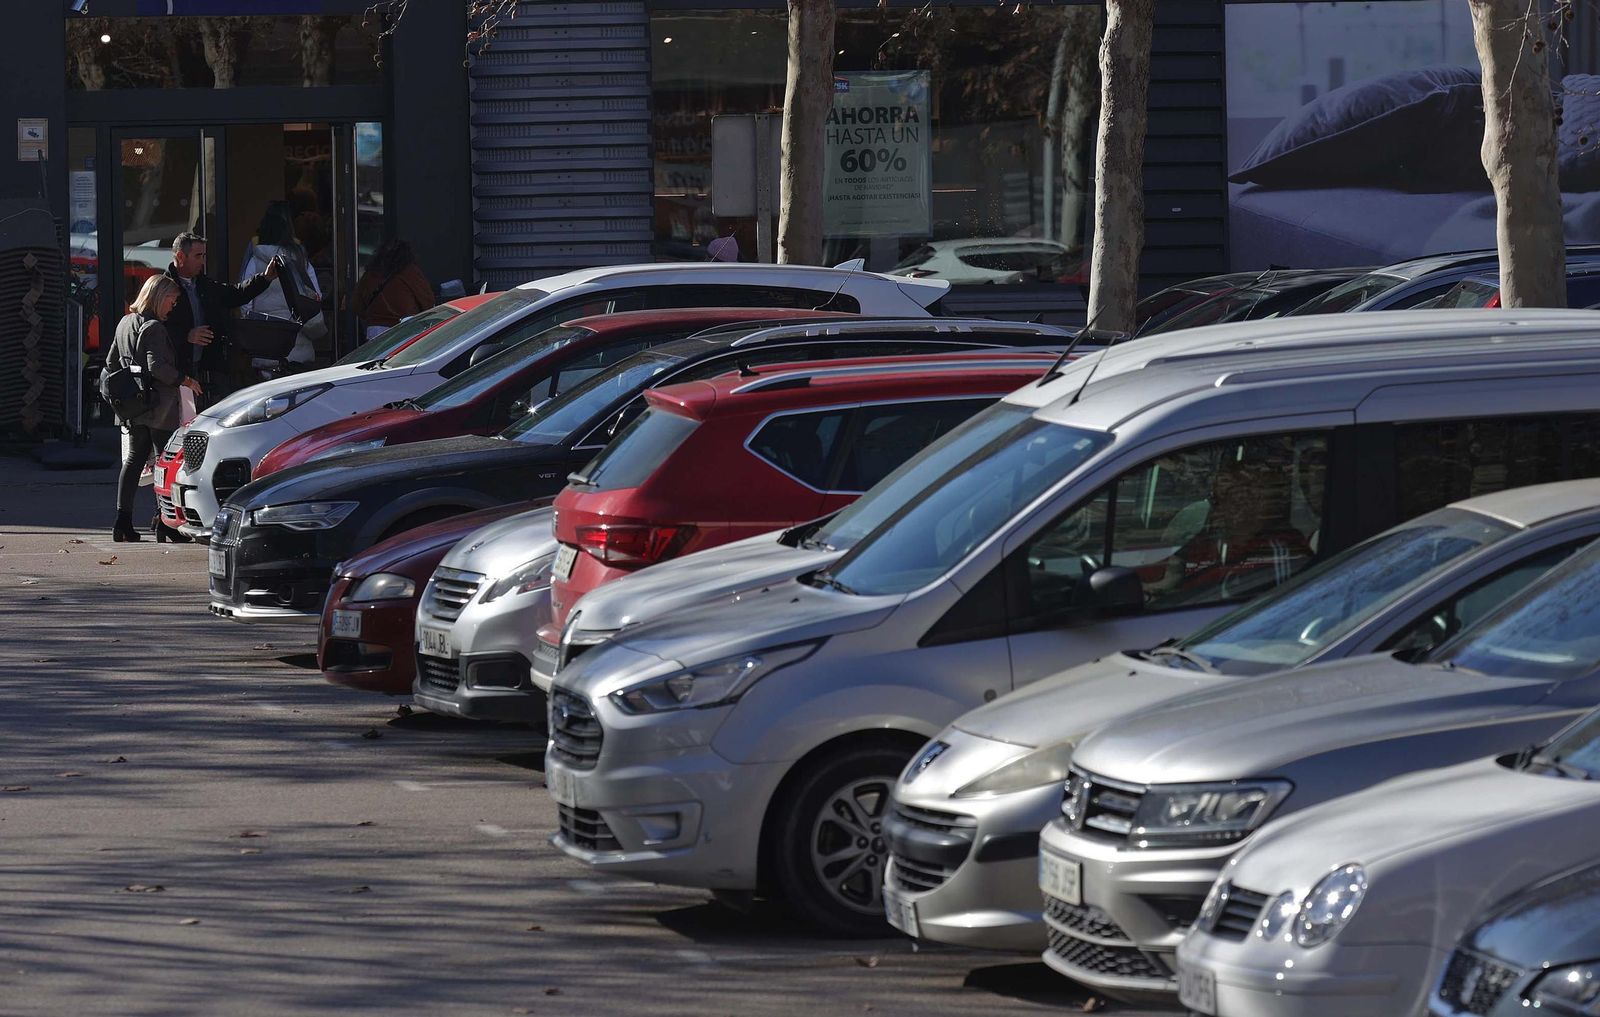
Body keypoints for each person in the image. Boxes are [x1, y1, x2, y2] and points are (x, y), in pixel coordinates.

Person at [112, 274, 204, 544]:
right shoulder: (154, 327)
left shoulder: (124, 323)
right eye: (172, 301)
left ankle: (122, 521)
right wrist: (186, 380)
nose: (172, 307)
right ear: (159, 296)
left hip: (133, 405)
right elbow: (157, 367)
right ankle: (166, 524)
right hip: (159, 405)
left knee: (134, 462)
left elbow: (111, 362)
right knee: (166, 463)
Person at [163, 230, 278, 400]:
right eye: (198, 256)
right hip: (177, 369)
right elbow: (154, 327)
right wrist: (186, 335)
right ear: (180, 256)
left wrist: (265, 278)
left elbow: (235, 294)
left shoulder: (203, 284)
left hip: (207, 367)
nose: (202, 261)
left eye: (203, 255)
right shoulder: (162, 288)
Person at [238, 202, 324, 367]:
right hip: (298, 340)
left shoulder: (255, 259)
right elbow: (315, 297)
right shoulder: (300, 259)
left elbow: (244, 302)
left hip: (266, 342)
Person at [350, 239, 434, 341]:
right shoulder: (411, 272)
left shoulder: (371, 274)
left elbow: (357, 304)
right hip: (404, 327)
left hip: (375, 329)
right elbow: (427, 300)